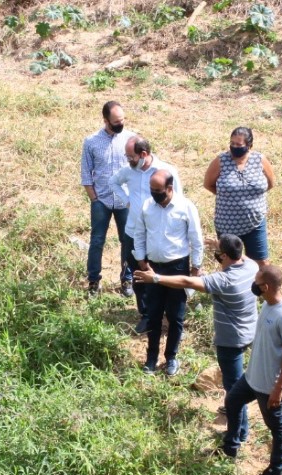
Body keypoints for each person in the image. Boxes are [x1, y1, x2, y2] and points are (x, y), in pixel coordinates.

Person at [133, 234, 257, 420]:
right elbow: (241, 255)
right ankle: (234, 408)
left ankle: (237, 433)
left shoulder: (224, 281)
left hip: (231, 340)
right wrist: (221, 245)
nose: (215, 252)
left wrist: (156, 278)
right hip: (250, 332)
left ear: (224, 256)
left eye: (218, 250)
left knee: (233, 384)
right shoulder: (251, 267)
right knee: (235, 380)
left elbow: (187, 282)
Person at [215, 265, 282, 475]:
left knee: (276, 429)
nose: (254, 286)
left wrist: (278, 388)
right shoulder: (267, 305)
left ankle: (275, 471)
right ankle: (230, 446)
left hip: (269, 386)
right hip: (252, 377)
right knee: (232, 401)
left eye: (257, 283)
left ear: (266, 287)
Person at [132, 170, 203, 377]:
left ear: (170, 188)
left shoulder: (185, 207)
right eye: (152, 190)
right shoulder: (147, 206)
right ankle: (151, 358)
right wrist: (141, 261)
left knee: (176, 316)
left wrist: (196, 269)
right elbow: (139, 233)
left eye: (158, 191)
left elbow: (196, 239)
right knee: (153, 314)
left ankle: (171, 357)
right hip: (153, 267)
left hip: (178, 267)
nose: (154, 194)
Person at [113, 137, 183, 334]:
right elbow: (113, 182)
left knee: (162, 273)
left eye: (131, 157)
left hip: (157, 232)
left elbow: (179, 201)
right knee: (138, 275)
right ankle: (146, 314)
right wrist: (127, 200)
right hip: (133, 232)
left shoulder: (166, 171)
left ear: (143, 155)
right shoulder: (129, 172)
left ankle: (169, 317)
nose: (128, 160)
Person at [80, 100, 136, 298]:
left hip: (125, 201)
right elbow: (86, 174)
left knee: (128, 241)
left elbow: (138, 169)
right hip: (101, 200)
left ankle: (127, 279)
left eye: (122, 120)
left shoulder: (131, 139)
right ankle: (94, 281)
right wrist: (94, 199)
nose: (120, 124)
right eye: (115, 121)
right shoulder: (91, 141)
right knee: (97, 241)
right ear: (105, 121)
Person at [203, 126, 276, 263]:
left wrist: (251, 198)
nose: (234, 147)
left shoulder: (259, 160)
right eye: (232, 143)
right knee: (231, 263)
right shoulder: (221, 161)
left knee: (262, 263)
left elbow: (270, 183)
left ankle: (257, 285)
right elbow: (208, 184)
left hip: (255, 222)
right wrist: (228, 196)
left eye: (239, 144)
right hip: (227, 225)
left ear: (249, 145)